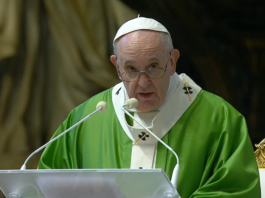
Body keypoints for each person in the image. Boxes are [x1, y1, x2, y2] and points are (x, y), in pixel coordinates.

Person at [38, 17, 261, 197]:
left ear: (172, 62)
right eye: (131, 69)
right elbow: (46, 185)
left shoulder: (219, 118)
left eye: (154, 67)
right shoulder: (88, 117)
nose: (143, 83)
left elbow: (237, 190)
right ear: (116, 66)